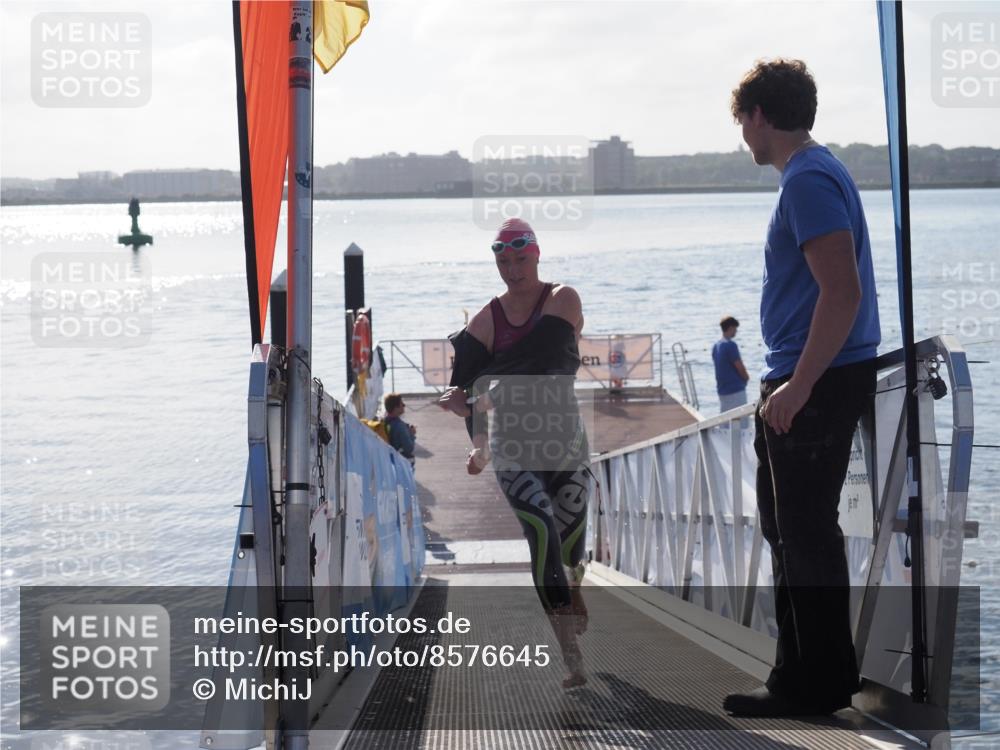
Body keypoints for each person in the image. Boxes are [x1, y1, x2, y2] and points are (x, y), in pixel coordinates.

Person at [723, 59, 881, 717]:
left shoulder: (808, 180)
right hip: (811, 375)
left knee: (804, 533)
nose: (742, 136)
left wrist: (798, 387)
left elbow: (840, 293)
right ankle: (811, 674)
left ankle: (808, 684)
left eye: (742, 122)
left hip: (813, 378)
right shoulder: (816, 173)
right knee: (791, 530)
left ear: (760, 115)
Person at [436, 217, 590, 689]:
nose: (513, 269)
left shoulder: (563, 297)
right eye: (504, 261)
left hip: (564, 440)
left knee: (571, 547)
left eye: (521, 259)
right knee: (541, 536)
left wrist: (480, 390)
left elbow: (545, 360)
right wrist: (479, 445)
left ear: (537, 254)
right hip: (514, 446)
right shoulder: (486, 319)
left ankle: (574, 583)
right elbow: (465, 389)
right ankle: (571, 656)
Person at [712, 316, 750, 412]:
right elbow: (739, 366)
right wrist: (746, 378)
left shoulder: (716, 346)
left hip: (722, 389)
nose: (736, 331)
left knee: (726, 421)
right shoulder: (730, 345)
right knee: (741, 421)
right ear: (730, 328)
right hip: (735, 389)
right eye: (735, 329)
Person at [383, 393, 416, 467]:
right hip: (401, 464)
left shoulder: (384, 421)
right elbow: (409, 448)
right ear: (395, 408)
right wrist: (412, 434)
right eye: (402, 404)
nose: (404, 406)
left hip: (389, 461)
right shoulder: (400, 426)